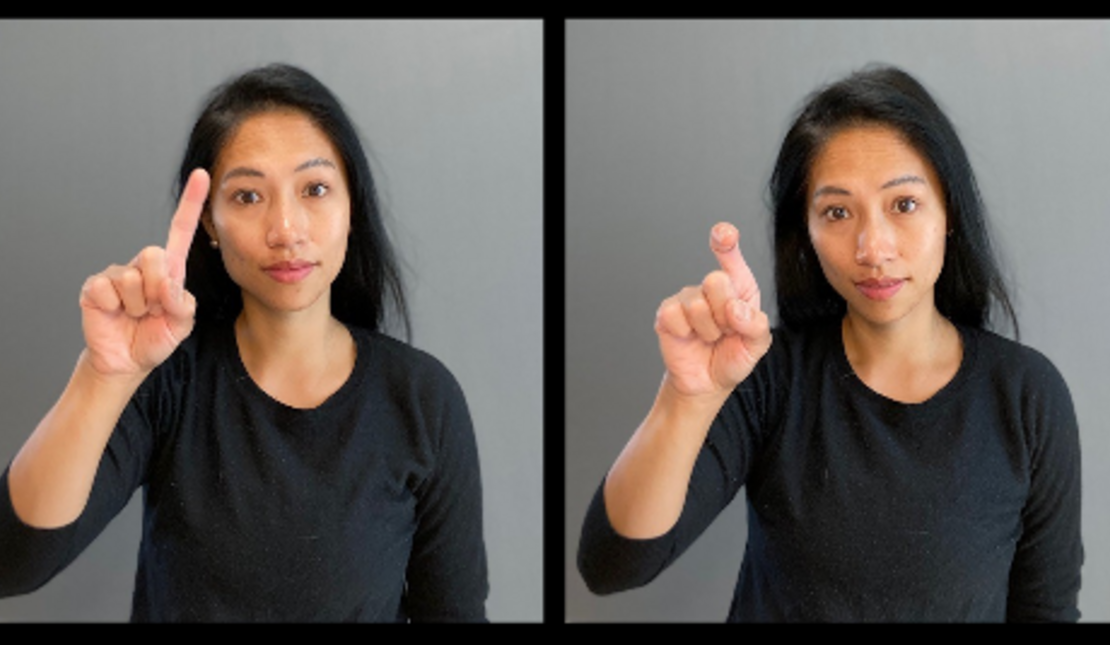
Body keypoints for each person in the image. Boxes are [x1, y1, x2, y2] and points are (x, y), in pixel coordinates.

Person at [577, 65, 1083, 622]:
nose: (872, 247)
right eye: (837, 212)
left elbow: (1047, 610)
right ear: (807, 233)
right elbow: (613, 564)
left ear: (950, 214)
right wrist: (686, 397)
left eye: (904, 204)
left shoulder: (1026, 396)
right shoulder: (768, 376)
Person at [0, 63, 488, 622]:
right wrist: (103, 375)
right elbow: (15, 561)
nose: (286, 229)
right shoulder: (167, 379)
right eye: (248, 197)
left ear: (352, 205)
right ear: (209, 222)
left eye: (316, 189)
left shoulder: (422, 398)